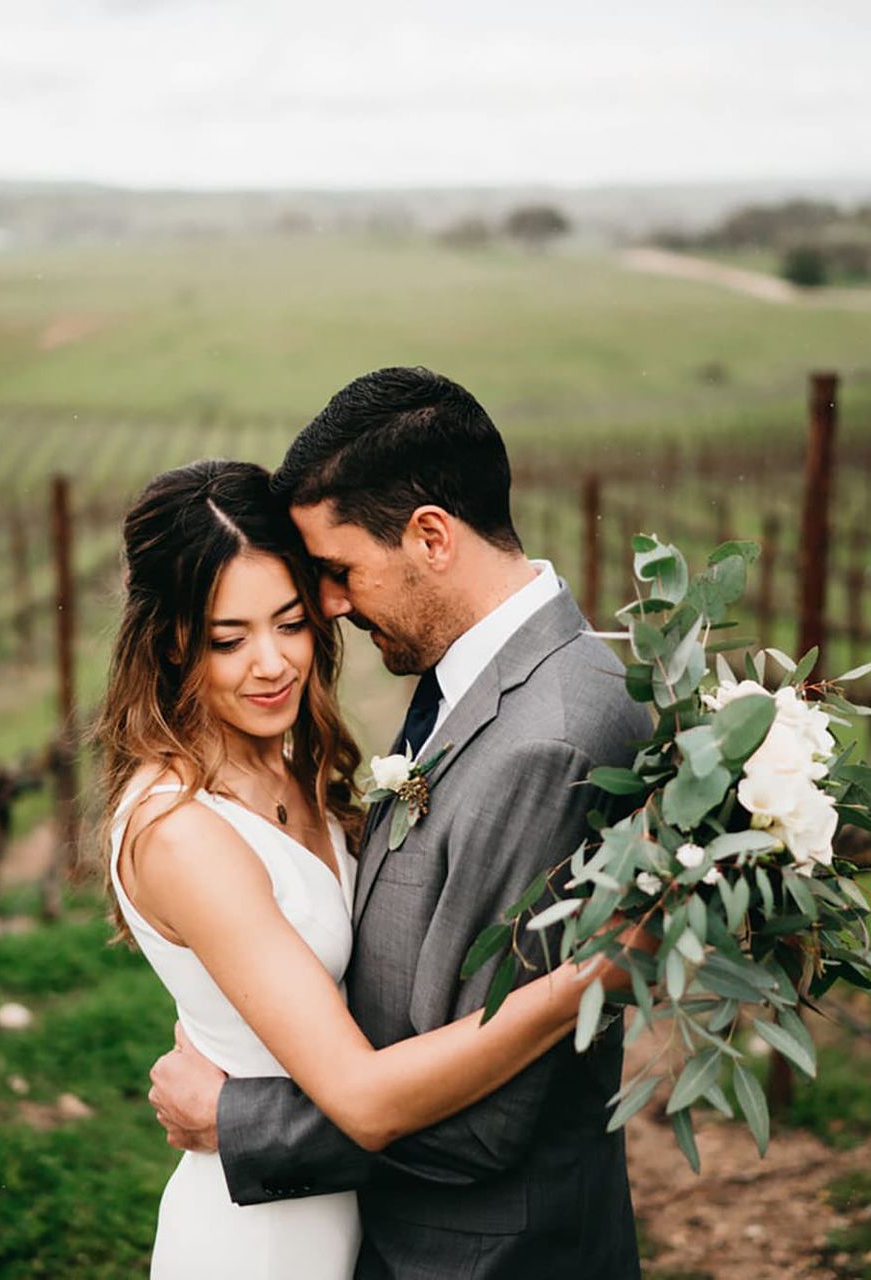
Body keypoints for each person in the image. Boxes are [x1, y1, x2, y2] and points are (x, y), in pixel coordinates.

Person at [145, 368, 648, 1278]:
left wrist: (238, 1119)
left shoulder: (547, 740)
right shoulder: (483, 688)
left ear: (429, 536)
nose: (331, 607)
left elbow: (485, 1123)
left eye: (334, 576)